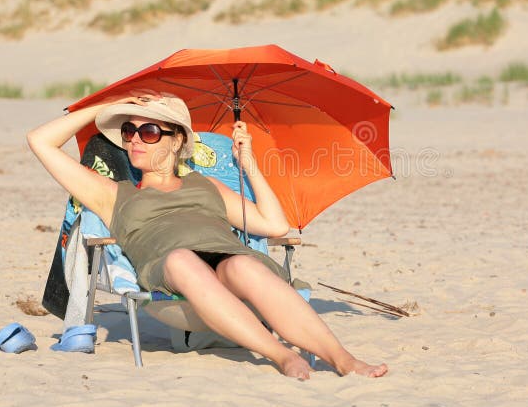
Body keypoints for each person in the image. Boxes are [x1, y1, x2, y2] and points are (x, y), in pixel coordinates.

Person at [27, 92, 388, 379]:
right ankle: (280, 355)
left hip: (228, 264)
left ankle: (343, 360)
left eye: (149, 131)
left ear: (177, 141)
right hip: (171, 281)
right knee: (184, 259)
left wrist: (251, 168)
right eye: (128, 131)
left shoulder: (206, 185)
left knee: (244, 267)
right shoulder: (114, 194)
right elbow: (39, 141)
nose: (136, 139)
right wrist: (108, 107)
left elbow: (275, 226)